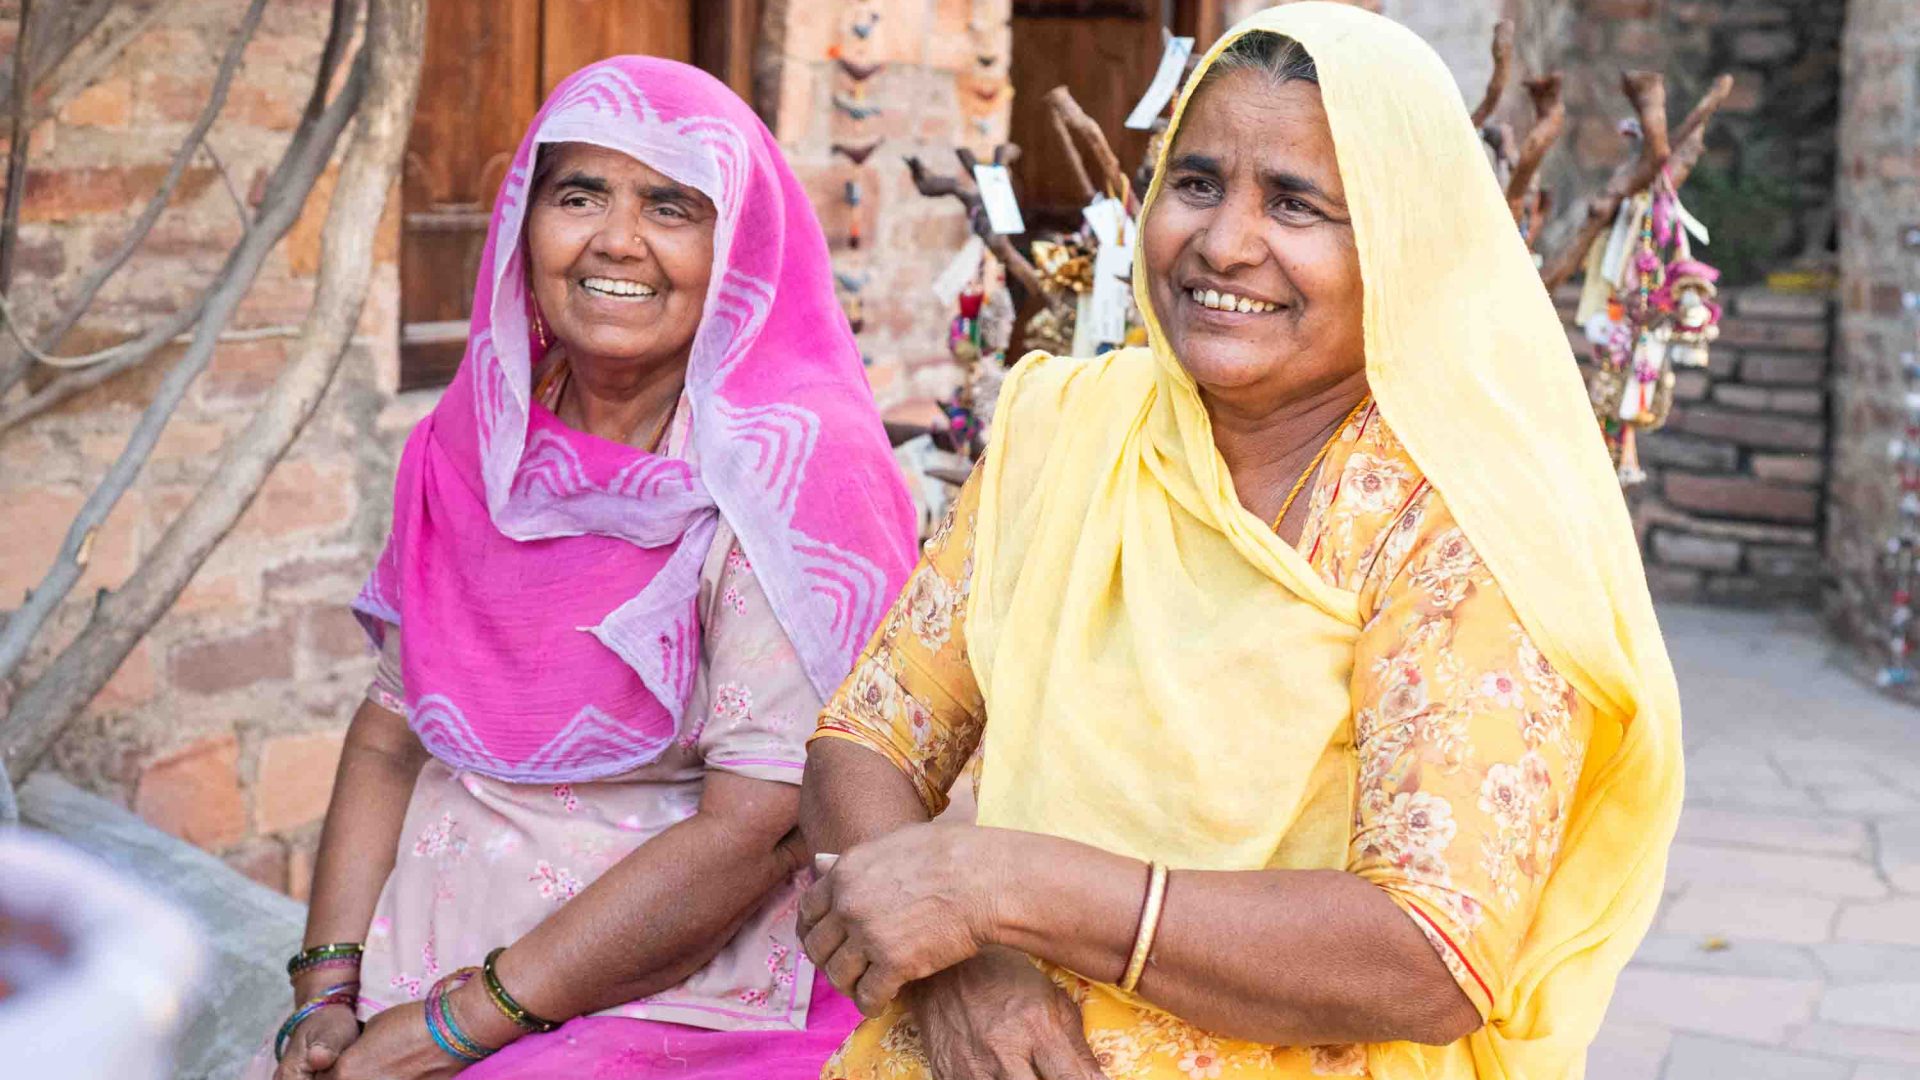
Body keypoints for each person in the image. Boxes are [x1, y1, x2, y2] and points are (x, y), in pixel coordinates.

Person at [797, 5, 1682, 1079]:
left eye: (1298, 204)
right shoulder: (1068, 429)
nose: (1223, 243)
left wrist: (1007, 891)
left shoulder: (1465, 520)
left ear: (1401, 244)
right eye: (1199, 182)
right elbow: (868, 737)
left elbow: (1432, 955)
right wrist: (959, 970)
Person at [255, 56, 918, 1080]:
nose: (617, 239)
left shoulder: (791, 468)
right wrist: (326, 994)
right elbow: (392, 733)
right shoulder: (472, 433)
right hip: (421, 977)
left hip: (681, 998)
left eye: (671, 205)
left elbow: (755, 828)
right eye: (579, 194)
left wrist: (455, 1030)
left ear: (738, 243)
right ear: (526, 219)